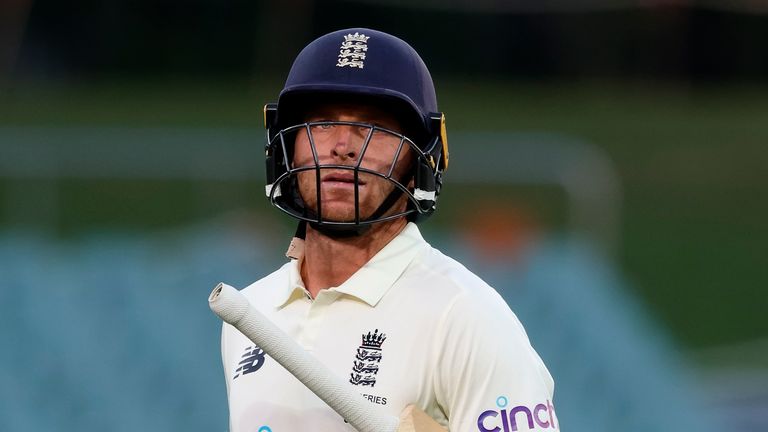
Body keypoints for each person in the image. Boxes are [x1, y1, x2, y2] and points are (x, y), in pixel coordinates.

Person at [219, 28, 559, 432]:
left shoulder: (465, 316)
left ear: (420, 163)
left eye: (373, 128)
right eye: (323, 123)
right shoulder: (251, 312)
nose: (343, 146)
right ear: (284, 145)